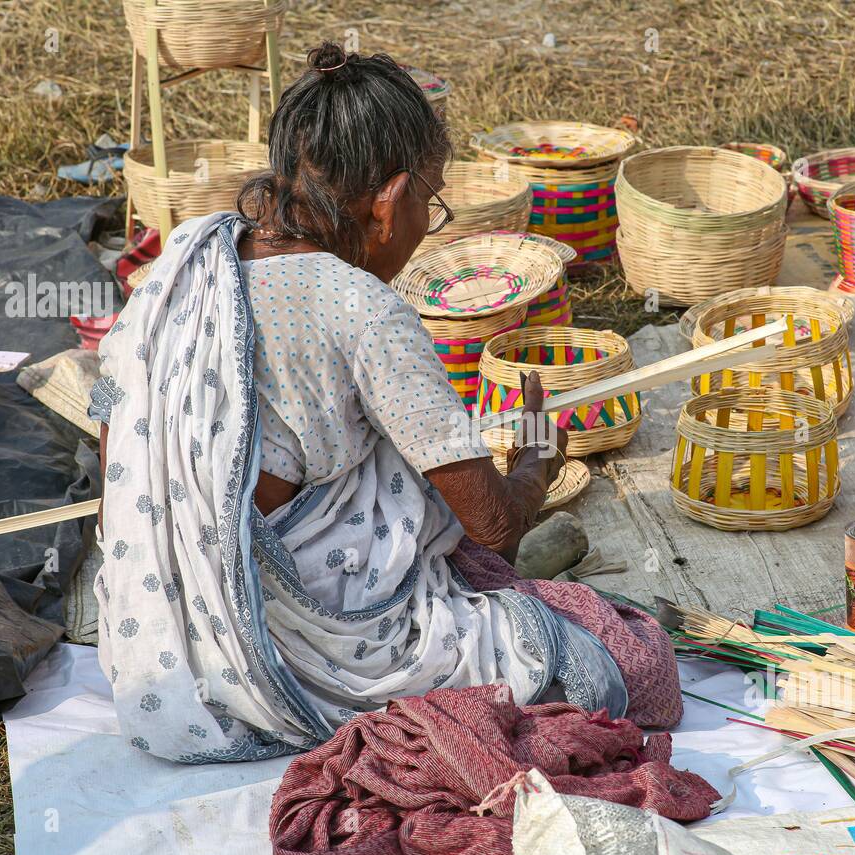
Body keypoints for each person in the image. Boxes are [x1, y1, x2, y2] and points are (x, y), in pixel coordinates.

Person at [88, 41, 680, 762]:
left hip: (162, 653)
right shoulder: (360, 307)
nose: (424, 224)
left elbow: (115, 437)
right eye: (430, 203)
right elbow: (491, 524)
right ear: (389, 200)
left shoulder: (188, 259)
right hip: (301, 653)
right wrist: (534, 462)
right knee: (636, 663)